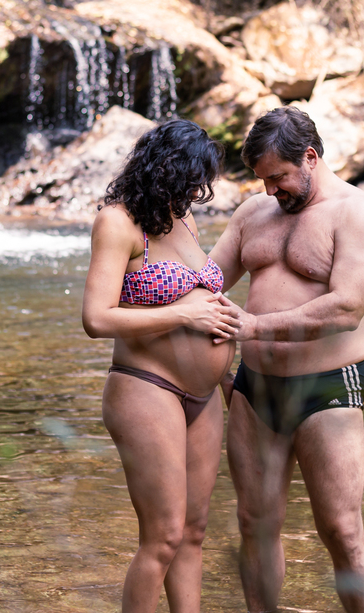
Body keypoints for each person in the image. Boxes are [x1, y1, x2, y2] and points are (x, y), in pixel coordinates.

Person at [209, 107, 364, 613]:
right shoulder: (253, 214)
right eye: (262, 179)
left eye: (279, 177)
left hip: (327, 388)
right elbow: (205, 285)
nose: (270, 189)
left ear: (310, 157)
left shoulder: (360, 215)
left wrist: (254, 327)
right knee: (255, 523)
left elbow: (346, 309)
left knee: (341, 530)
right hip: (254, 389)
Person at [81, 118, 243, 613]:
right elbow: (96, 318)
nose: (194, 192)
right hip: (146, 387)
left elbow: (202, 297)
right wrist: (184, 314)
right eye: (189, 181)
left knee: (193, 532)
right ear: (162, 170)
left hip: (204, 396)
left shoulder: (184, 217)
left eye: (199, 184)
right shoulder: (118, 222)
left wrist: (226, 370)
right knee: (163, 536)